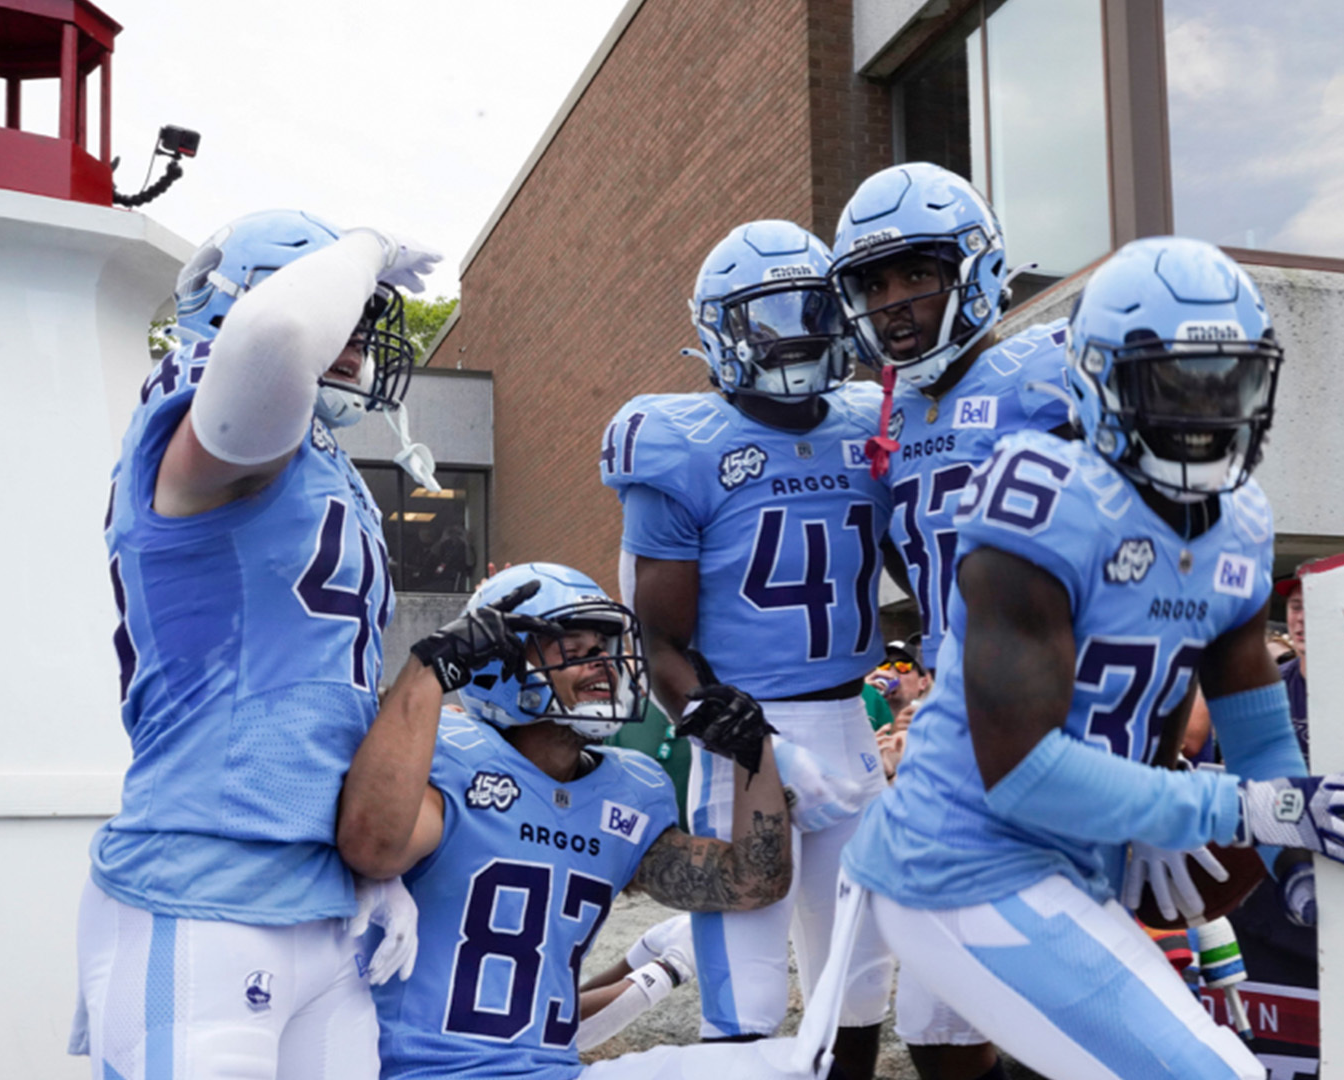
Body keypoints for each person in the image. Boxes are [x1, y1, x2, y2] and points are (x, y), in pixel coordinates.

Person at [838, 237, 1344, 1080]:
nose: (1205, 412)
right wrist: (1225, 811)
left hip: (1081, 855)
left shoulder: (1241, 522)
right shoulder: (1040, 495)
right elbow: (1022, 773)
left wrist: (1297, 871)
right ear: (1099, 380)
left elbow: (1259, 743)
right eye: (1172, 383)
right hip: (964, 862)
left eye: (1229, 383)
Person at [74, 210, 441, 1078]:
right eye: (341, 318)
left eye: (365, 325)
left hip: (324, 908)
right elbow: (276, 336)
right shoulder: (208, 418)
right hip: (206, 894)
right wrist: (365, 247)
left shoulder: (328, 469)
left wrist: (374, 865)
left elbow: (318, 688)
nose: (353, 342)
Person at [601, 221, 895, 1078]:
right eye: (766, 318)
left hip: (852, 719)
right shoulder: (680, 442)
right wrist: (733, 734)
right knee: (751, 1004)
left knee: (857, 985)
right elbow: (659, 640)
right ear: (719, 332)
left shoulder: (870, 420)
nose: (795, 333)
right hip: (745, 740)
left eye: (808, 310)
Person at [336, 562, 820, 1079]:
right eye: (575, 648)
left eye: (603, 649)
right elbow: (375, 850)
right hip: (425, 1071)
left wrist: (753, 753)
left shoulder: (629, 792)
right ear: (496, 662)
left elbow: (750, 882)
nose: (604, 665)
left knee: (787, 1067)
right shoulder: (452, 759)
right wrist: (427, 668)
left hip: (555, 1070)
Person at [828, 161, 1076, 1080]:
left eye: (917, 274)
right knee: (936, 1012)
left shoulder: (1051, 371)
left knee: (1064, 978)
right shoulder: (898, 413)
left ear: (973, 268)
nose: (894, 302)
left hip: (1057, 709)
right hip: (950, 725)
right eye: (875, 284)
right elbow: (915, 566)